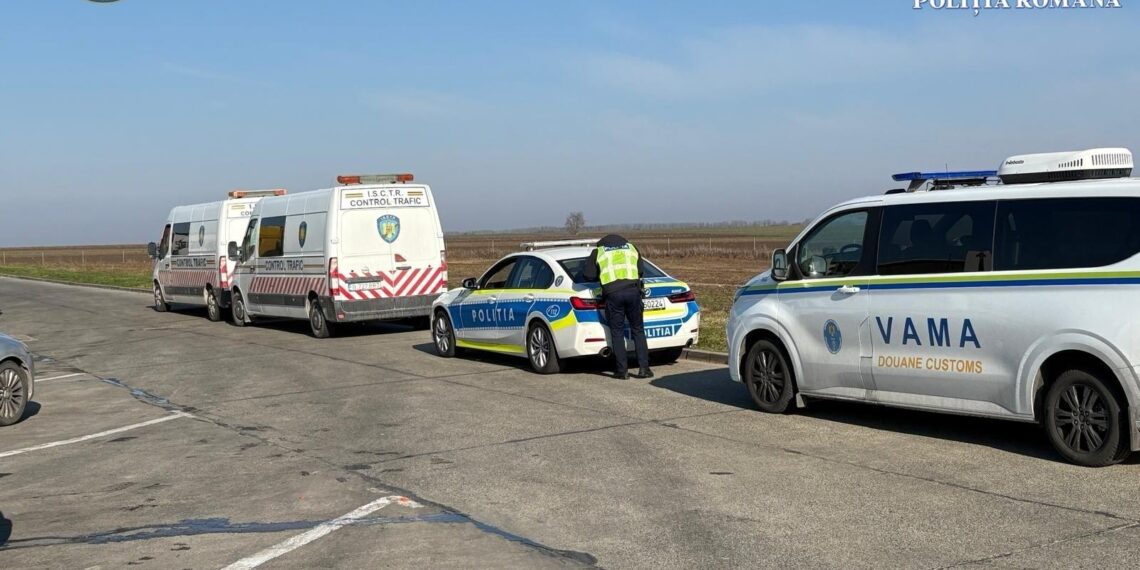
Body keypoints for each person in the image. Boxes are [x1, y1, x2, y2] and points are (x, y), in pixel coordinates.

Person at [583, 234, 652, 380]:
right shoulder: (631, 248)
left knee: (617, 332)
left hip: (613, 294)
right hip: (633, 291)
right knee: (638, 330)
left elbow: (588, 275)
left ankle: (622, 371)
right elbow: (640, 271)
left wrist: (601, 276)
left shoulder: (599, 251)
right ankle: (644, 369)